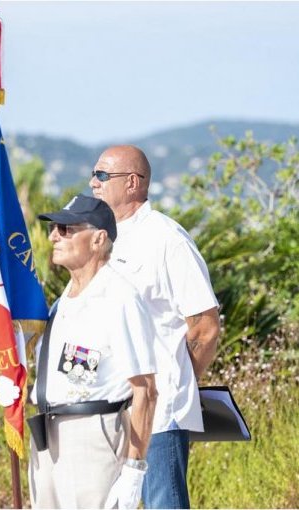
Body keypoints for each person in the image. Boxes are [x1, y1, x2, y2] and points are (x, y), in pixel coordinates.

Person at [90, 145, 221, 509]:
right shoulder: (102, 239)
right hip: (109, 409)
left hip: (160, 415)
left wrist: (176, 383)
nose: (92, 182)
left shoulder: (167, 239)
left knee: (164, 503)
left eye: (101, 175)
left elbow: (205, 326)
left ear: (132, 182)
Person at [17, 194, 158, 509]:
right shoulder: (61, 303)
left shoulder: (119, 298)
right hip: (48, 433)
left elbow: (145, 390)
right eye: (55, 228)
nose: (54, 236)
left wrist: (134, 469)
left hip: (93, 434)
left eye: (66, 229)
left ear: (98, 238)